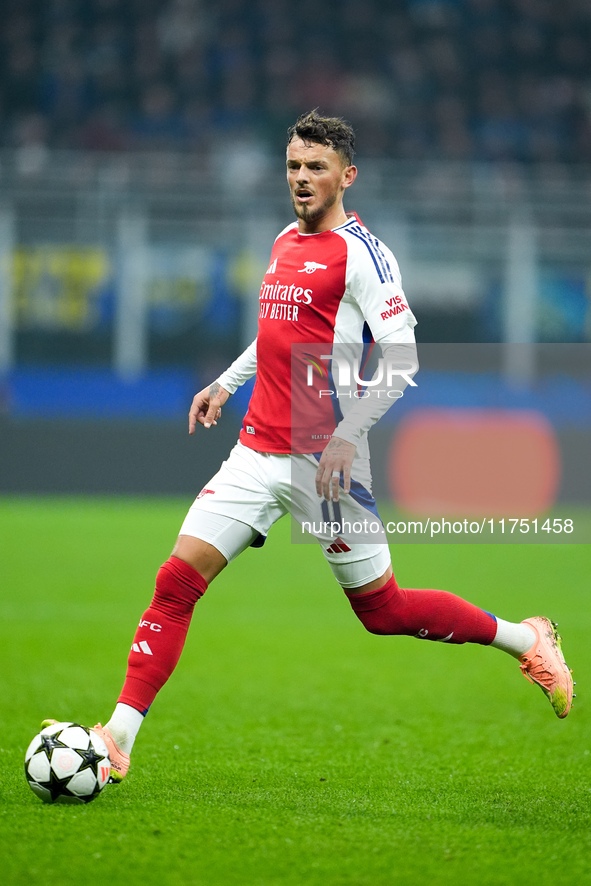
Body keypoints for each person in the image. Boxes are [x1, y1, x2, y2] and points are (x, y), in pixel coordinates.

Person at [45, 110, 574, 783]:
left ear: (345, 176)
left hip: (324, 463)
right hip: (254, 452)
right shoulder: (282, 241)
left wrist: (350, 437)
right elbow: (273, 330)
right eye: (294, 166)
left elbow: (403, 357)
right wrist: (224, 384)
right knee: (174, 583)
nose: (301, 178)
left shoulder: (362, 254)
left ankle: (526, 638)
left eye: (315, 168)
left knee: (382, 611)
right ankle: (118, 737)